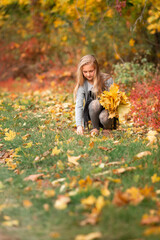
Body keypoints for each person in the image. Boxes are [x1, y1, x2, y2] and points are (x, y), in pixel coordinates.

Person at [74, 54, 115, 136]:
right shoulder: (83, 84)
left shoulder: (107, 80)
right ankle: (95, 127)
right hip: (92, 113)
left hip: (107, 113)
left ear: (96, 69)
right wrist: (79, 125)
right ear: (81, 71)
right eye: (85, 72)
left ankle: (107, 128)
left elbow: (115, 101)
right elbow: (79, 105)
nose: (88, 74)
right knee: (95, 103)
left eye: (91, 71)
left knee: (104, 116)